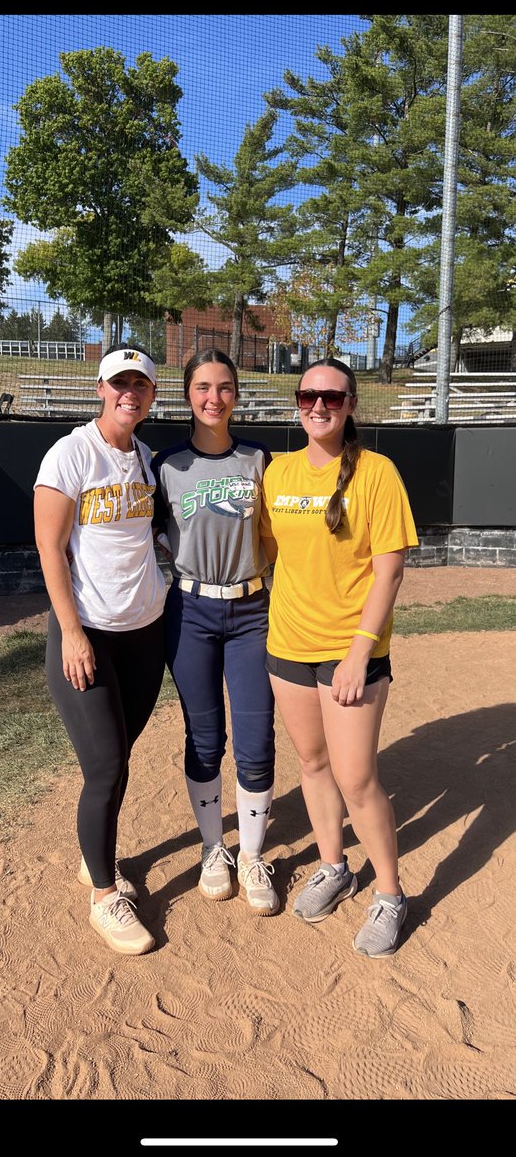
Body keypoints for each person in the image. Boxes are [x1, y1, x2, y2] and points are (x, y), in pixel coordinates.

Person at [261, 358, 419, 958]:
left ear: (351, 404)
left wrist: (358, 653)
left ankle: (390, 895)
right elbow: (267, 549)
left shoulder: (377, 473)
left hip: (351, 651)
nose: (318, 406)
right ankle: (334, 866)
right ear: (297, 402)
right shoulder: (277, 473)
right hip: (288, 646)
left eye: (331, 396)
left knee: (357, 777)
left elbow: (390, 570)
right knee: (313, 762)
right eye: (307, 395)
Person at [34, 344, 166, 956]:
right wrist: (72, 633)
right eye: (119, 383)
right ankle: (104, 894)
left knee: (117, 757)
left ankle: (95, 859)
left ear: (151, 394)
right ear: (100, 388)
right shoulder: (70, 454)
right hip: (86, 636)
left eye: (139, 383)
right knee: (107, 765)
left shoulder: (145, 458)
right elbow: (50, 549)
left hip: (144, 636)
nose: (128, 393)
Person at [151, 349, 279, 916]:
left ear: (236, 394)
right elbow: (142, 536)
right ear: (187, 394)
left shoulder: (259, 459)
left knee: (256, 744)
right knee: (205, 740)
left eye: (224, 387)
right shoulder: (166, 466)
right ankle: (212, 848)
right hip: (191, 611)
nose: (214, 397)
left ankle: (251, 855)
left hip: (252, 612)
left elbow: (277, 536)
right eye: (202, 387)